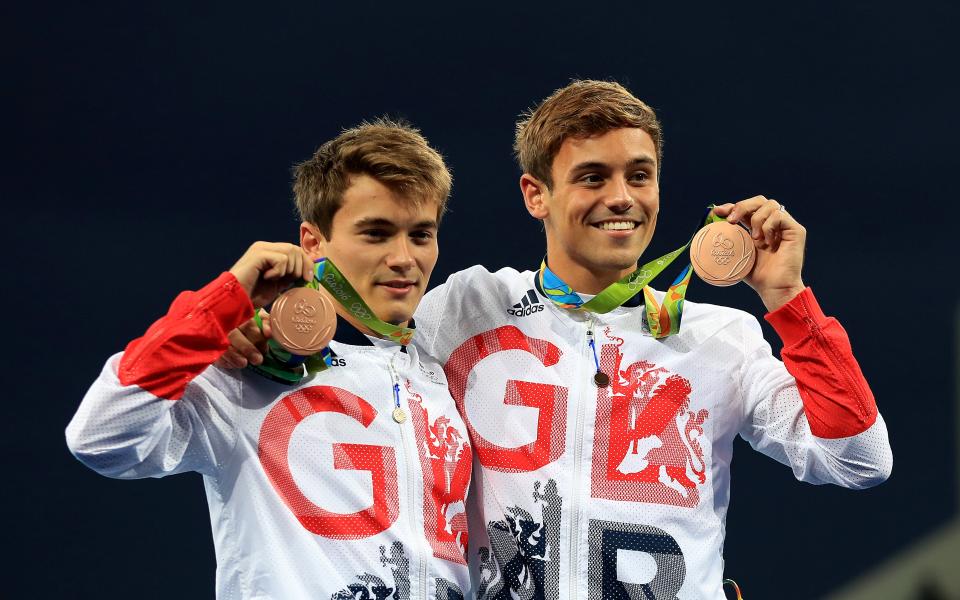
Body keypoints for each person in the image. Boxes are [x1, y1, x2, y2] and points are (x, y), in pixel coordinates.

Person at [408, 81, 892, 598]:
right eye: (592, 177)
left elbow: (857, 460)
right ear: (536, 195)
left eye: (639, 176)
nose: (621, 197)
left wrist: (789, 299)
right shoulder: (467, 309)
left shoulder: (720, 338)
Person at [66, 119, 473, 599]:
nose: (404, 257)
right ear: (313, 242)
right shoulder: (246, 370)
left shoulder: (438, 375)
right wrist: (222, 307)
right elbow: (100, 437)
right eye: (376, 234)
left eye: (421, 235)